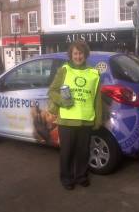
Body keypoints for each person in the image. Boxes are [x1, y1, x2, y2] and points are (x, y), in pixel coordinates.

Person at [48, 40, 102, 190]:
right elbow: (52, 91)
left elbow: (97, 98)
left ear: (86, 55)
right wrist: (63, 102)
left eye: (81, 53)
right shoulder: (64, 70)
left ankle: (81, 176)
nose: (78, 56)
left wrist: (98, 119)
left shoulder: (94, 73)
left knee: (83, 152)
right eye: (75, 53)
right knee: (67, 152)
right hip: (67, 120)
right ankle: (66, 178)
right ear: (71, 55)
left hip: (86, 120)